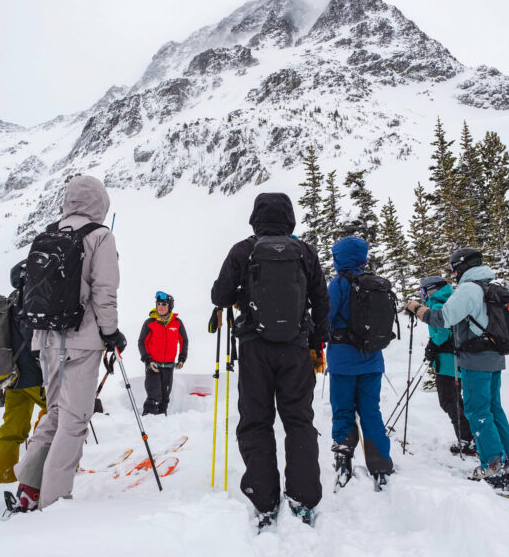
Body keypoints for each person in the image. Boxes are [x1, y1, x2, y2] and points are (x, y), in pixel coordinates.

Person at [210, 192, 329, 529]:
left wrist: (240, 297)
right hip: (296, 347)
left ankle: (263, 499)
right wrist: (318, 342)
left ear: (256, 218)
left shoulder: (243, 250)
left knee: (256, 421)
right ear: (289, 218)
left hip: (254, 348)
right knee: (298, 420)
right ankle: (304, 498)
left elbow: (219, 296)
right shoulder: (305, 251)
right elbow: (321, 300)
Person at [11, 175, 126, 511]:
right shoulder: (100, 236)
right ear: (99, 203)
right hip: (80, 340)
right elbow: (104, 291)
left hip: (44, 340)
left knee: (57, 412)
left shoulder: (48, 235)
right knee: (75, 418)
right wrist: (111, 333)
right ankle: (54, 499)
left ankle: (29, 488)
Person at [405, 248, 509, 483]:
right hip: (493, 356)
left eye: (454, 268)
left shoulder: (468, 289)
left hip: (476, 359)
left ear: (461, 267)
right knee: (493, 408)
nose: (453, 273)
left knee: (478, 411)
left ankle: (493, 464)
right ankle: (507, 458)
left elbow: (443, 318)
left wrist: (418, 309)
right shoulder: (487, 287)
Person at [326, 236, 395, 488]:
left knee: (343, 410)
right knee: (371, 411)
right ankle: (381, 465)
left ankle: (344, 459)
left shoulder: (339, 284)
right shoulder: (376, 284)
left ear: (339, 259)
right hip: (372, 361)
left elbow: (326, 316)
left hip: (343, 362)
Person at [0, 260, 48, 484]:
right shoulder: (31, 302)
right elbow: (35, 344)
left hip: (12, 378)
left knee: (12, 428)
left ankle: (1, 475)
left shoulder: (11, 301)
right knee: (58, 417)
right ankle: (51, 466)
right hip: (33, 378)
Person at [419, 276, 475, 456]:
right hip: (456, 360)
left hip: (447, 362)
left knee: (448, 401)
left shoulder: (437, 306)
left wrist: (433, 346)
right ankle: (469, 436)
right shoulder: (451, 301)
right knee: (456, 400)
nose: (422, 295)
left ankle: (466, 438)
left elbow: (442, 333)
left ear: (431, 290)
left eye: (423, 291)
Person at [137, 291, 189, 415]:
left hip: (169, 366)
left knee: (165, 396)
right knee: (154, 396)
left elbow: (184, 341)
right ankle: (148, 419)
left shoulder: (177, 323)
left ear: (169, 306)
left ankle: (161, 423)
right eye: (158, 303)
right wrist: (148, 361)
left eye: (164, 304)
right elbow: (141, 342)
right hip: (153, 366)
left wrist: (182, 358)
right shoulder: (150, 323)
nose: (160, 306)